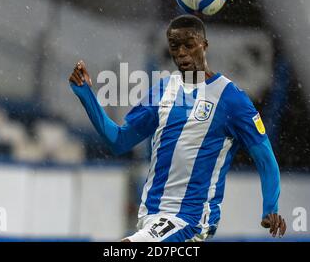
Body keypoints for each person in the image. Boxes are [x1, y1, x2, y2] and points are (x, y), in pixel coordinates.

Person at [69, 14, 286, 242]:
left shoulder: (231, 99)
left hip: (190, 220)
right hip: (151, 217)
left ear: (204, 45)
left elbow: (265, 158)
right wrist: (86, 95)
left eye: (189, 45)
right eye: (175, 46)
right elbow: (119, 141)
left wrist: (270, 207)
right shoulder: (164, 89)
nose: (181, 53)